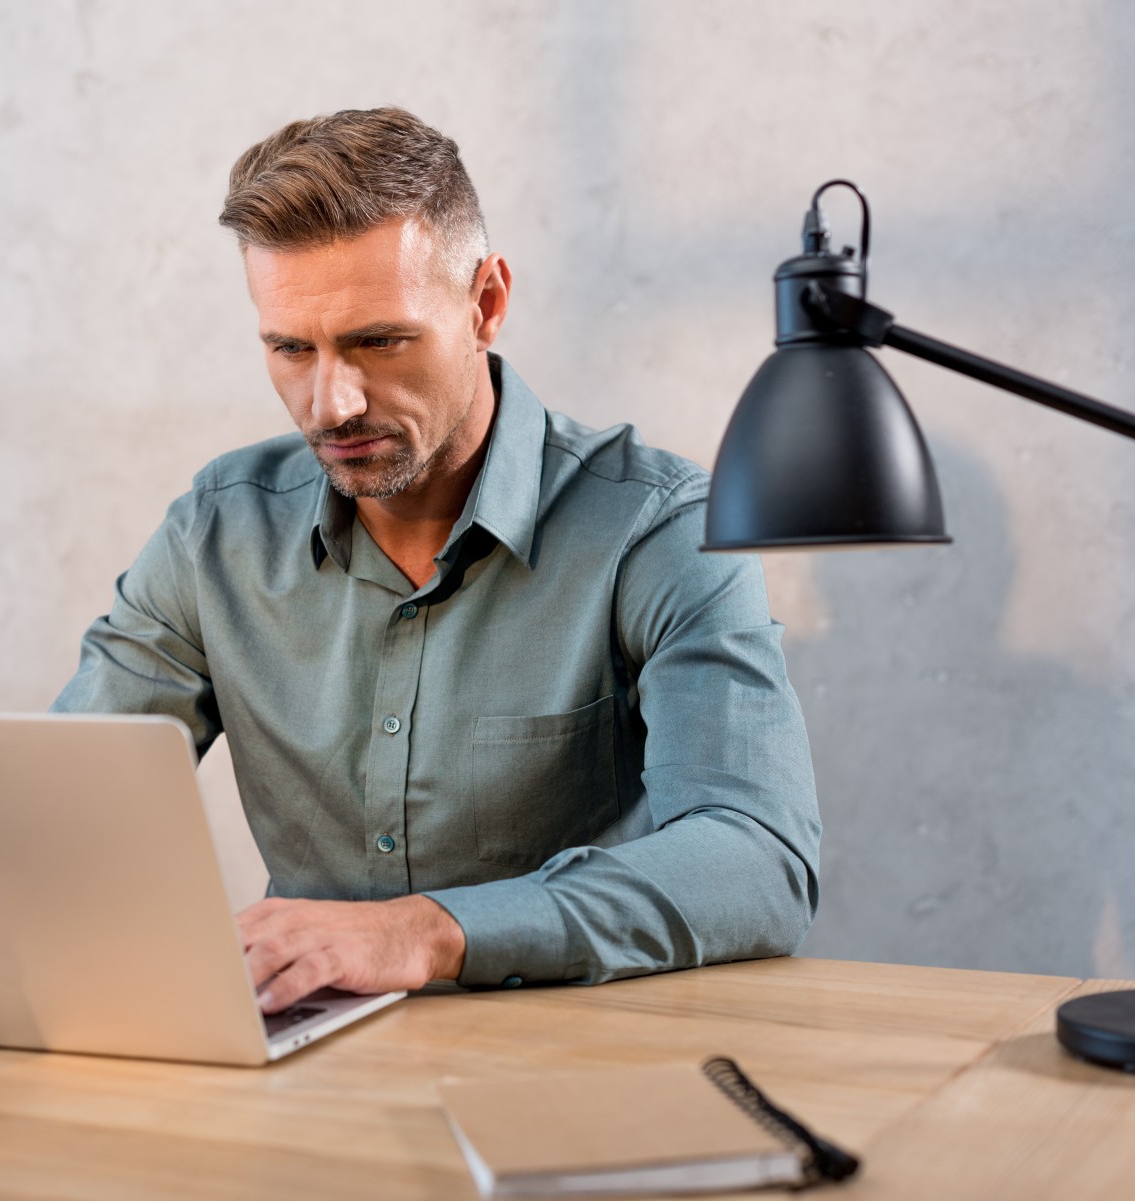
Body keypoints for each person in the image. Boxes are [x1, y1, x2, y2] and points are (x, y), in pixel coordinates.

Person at [52, 107, 820, 1015]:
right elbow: (60, 804)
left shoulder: (656, 528)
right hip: (307, 1063)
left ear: (486, 302)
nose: (331, 403)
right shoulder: (216, 534)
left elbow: (757, 858)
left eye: (380, 341)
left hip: (578, 1059)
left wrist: (423, 931)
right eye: (291, 348)